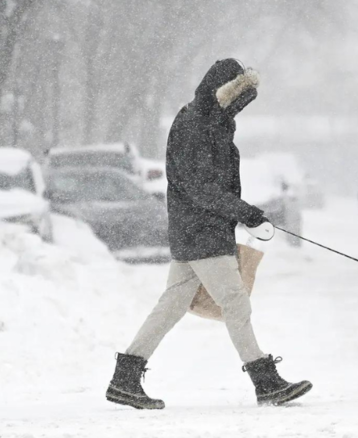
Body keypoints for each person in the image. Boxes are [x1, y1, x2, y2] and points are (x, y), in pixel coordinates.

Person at [106, 59, 312, 410]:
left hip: (199, 228)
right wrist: (244, 212)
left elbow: (207, 185)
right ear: (222, 92)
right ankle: (265, 381)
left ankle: (125, 378)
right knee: (234, 300)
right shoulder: (196, 125)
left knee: (172, 304)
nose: (238, 106)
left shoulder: (211, 123)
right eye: (236, 96)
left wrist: (240, 214)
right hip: (201, 229)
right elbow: (200, 186)